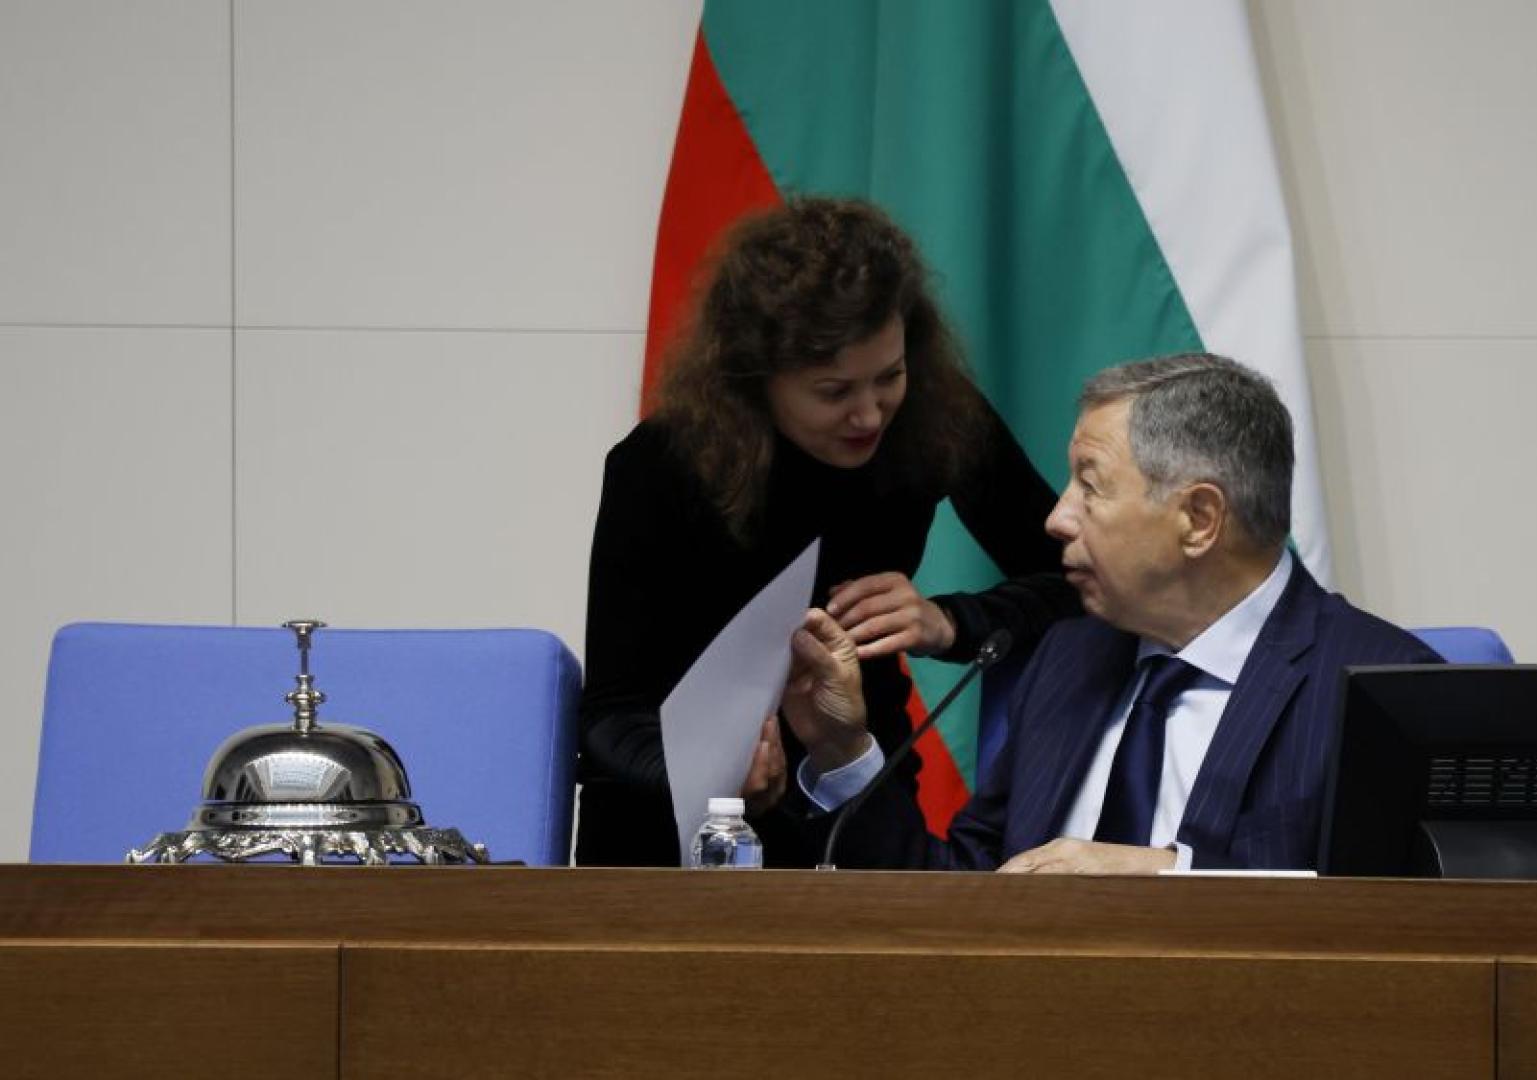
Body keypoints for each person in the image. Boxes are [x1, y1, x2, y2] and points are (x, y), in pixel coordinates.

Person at [776, 352, 1441, 872]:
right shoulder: (1067, 660)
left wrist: (1168, 880)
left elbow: (1403, 920)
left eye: (1089, 487)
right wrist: (842, 749)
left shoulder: (1383, 690)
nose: (1056, 518)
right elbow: (964, 895)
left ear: (1199, 519)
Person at [576, 197, 1080, 867]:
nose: (870, 414)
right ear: (757, 377)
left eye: (889, 377)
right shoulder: (657, 467)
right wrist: (709, 775)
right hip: (667, 827)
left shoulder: (936, 413)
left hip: (854, 794)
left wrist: (951, 623)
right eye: (834, 391)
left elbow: (1082, 585)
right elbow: (610, 712)